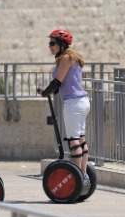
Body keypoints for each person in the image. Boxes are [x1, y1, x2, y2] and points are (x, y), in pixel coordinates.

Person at [38, 29, 91, 186]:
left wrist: (47, 90)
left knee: (74, 141)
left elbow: (57, 82)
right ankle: (83, 175)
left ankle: (78, 178)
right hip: (80, 102)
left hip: (73, 103)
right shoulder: (70, 58)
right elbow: (62, 84)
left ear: (61, 45)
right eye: (49, 43)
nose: (50, 46)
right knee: (80, 140)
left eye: (53, 43)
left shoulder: (67, 58)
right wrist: (46, 91)